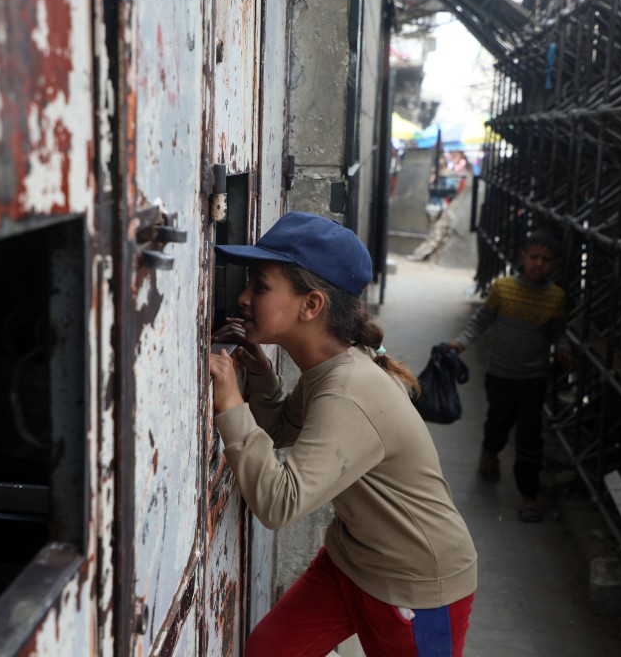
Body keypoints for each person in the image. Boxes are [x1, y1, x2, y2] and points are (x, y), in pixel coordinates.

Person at [208, 211, 477, 657]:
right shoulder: (332, 365)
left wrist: (231, 404)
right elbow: (280, 430)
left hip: (416, 586)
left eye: (260, 286)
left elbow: (278, 504)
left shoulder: (350, 389)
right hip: (353, 560)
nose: (242, 297)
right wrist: (258, 380)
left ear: (311, 305)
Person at [447, 229, 573, 523]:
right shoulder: (502, 289)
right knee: (498, 423)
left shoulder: (555, 298)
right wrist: (461, 343)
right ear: (523, 258)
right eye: (534, 257)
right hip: (500, 374)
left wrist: (564, 348)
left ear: (556, 265)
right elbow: (480, 322)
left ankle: (529, 495)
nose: (538, 264)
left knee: (530, 436)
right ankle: (490, 453)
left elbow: (558, 332)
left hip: (533, 378)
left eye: (546, 260)